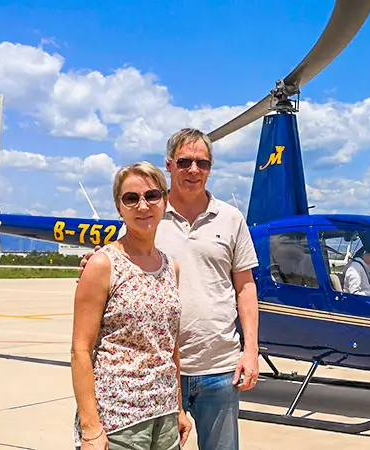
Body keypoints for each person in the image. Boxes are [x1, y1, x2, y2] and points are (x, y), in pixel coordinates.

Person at [81, 128, 259, 450]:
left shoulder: (231, 218)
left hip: (218, 366)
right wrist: (91, 264)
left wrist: (251, 350)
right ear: (169, 165)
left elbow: (245, 287)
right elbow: (118, 258)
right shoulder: (147, 214)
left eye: (202, 163)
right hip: (159, 374)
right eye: (185, 162)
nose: (194, 170)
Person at [71, 162, 192, 450]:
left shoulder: (170, 267)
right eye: (131, 198)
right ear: (119, 207)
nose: (143, 206)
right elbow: (80, 350)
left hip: (163, 415)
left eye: (152, 196)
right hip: (119, 420)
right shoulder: (103, 264)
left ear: (164, 201)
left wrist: (178, 407)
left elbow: (169, 346)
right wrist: (90, 428)